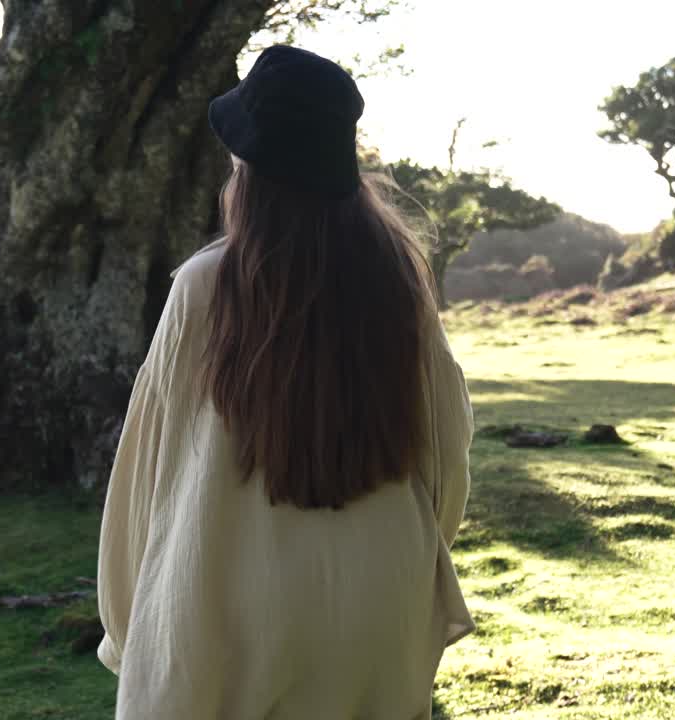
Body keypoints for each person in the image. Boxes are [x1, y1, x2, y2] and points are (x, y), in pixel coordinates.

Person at [96, 45, 475, 720]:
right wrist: (416, 570)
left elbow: (145, 471)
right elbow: (447, 456)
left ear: (251, 174)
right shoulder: (398, 285)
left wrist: (130, 623)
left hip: (218, 603)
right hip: (377, 600)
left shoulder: (205, 287)